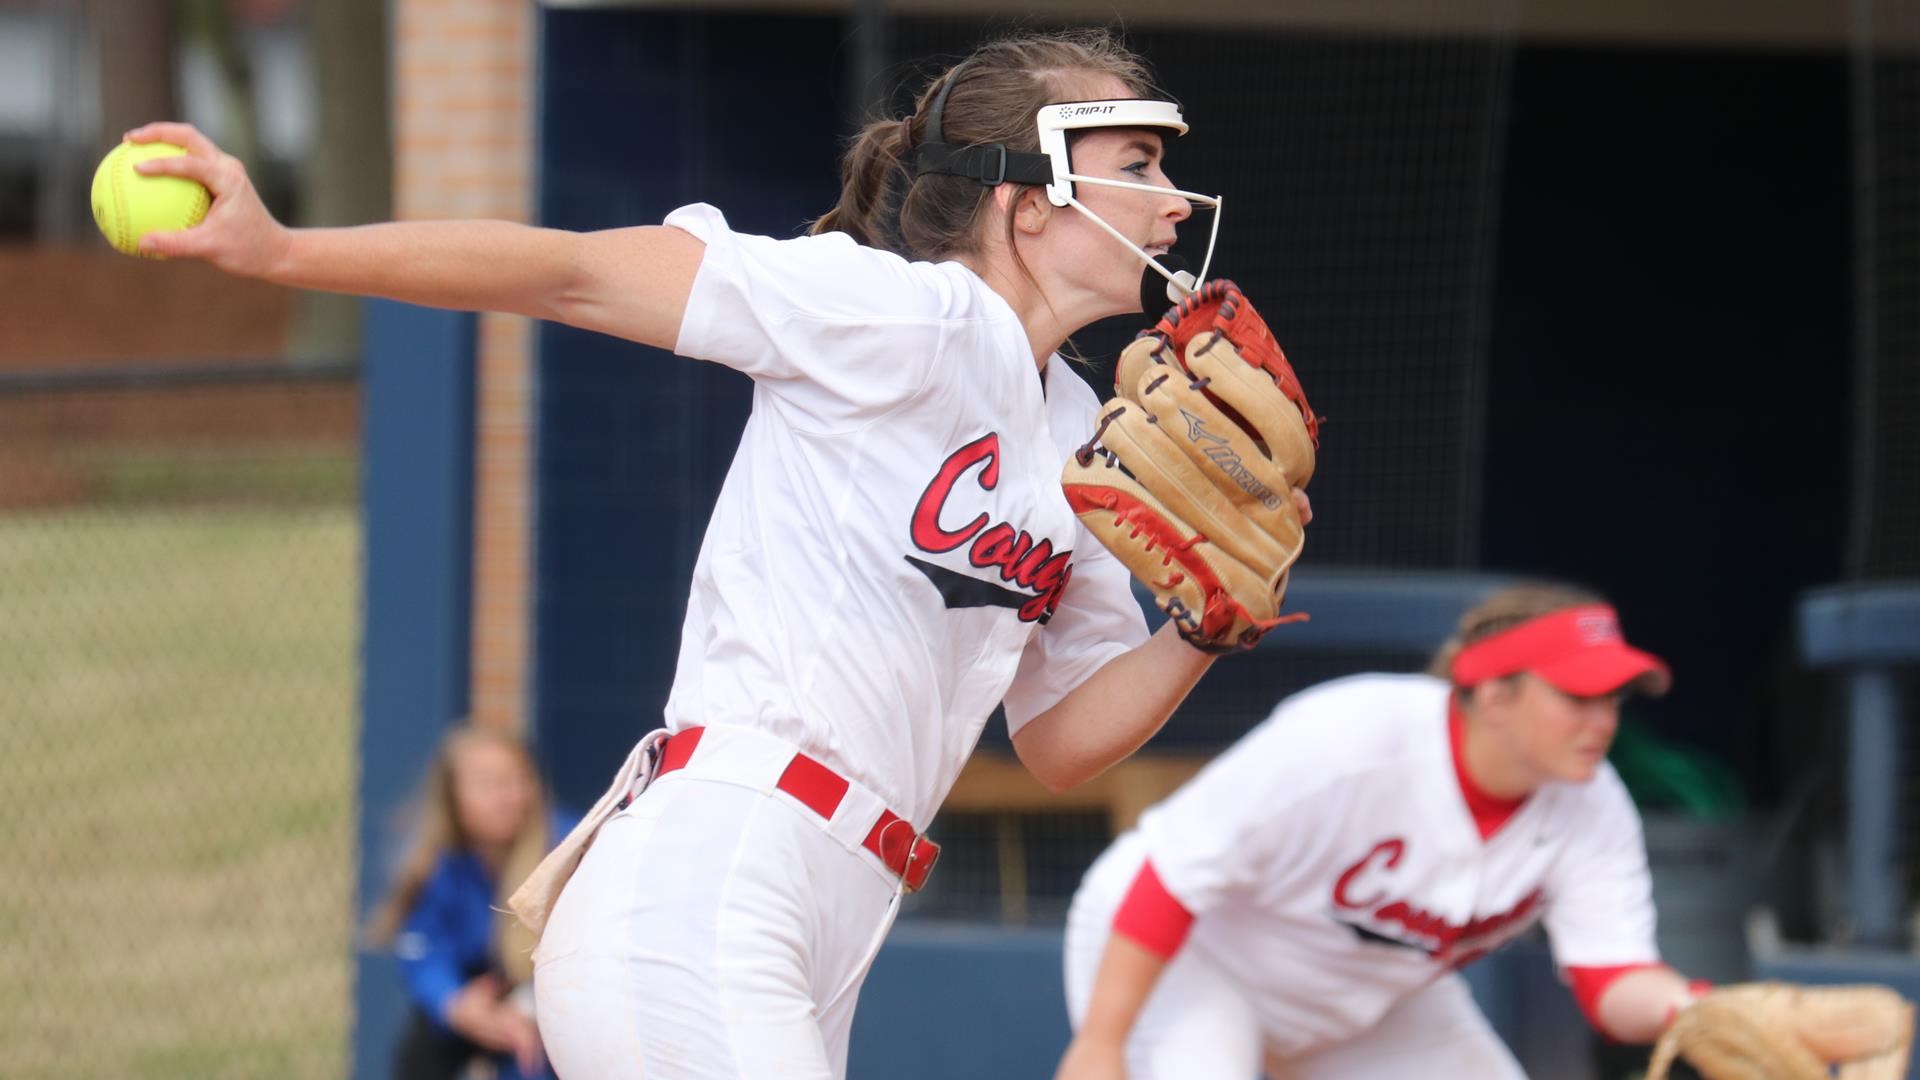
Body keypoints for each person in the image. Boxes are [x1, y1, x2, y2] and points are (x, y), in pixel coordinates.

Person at [124, 27, 1312, 1080]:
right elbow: (577, 272)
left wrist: (1204, 631)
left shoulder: (1071, 431)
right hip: (716, 873)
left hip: (828, 919)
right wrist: (281, 252)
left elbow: (1058, 742)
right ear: (1029, 198)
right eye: (1138, 163)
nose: (1172, 200)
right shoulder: (898, 311)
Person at [1058, 582, 1709, 1079]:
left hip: (1364, 998)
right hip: (1190, 960)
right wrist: (1100, 1045)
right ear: (1494, 695)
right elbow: (1172, 878)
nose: (1603, 721)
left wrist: (1699, 1009)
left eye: (1613, 699)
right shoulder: (1354, 736)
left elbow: (1612, 979)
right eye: (1577, 697)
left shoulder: (1593, 806)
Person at [367, 724, 573, 1080]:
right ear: (453, 798)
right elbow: (421, 950)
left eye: (518, 780)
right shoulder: (433, 862)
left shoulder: (568, 851)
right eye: (489, 786)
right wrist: (455, 1004)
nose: (508, 796)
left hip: (546, 1006)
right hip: (470, 1004)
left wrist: (527, 1009)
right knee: (421, 1046)